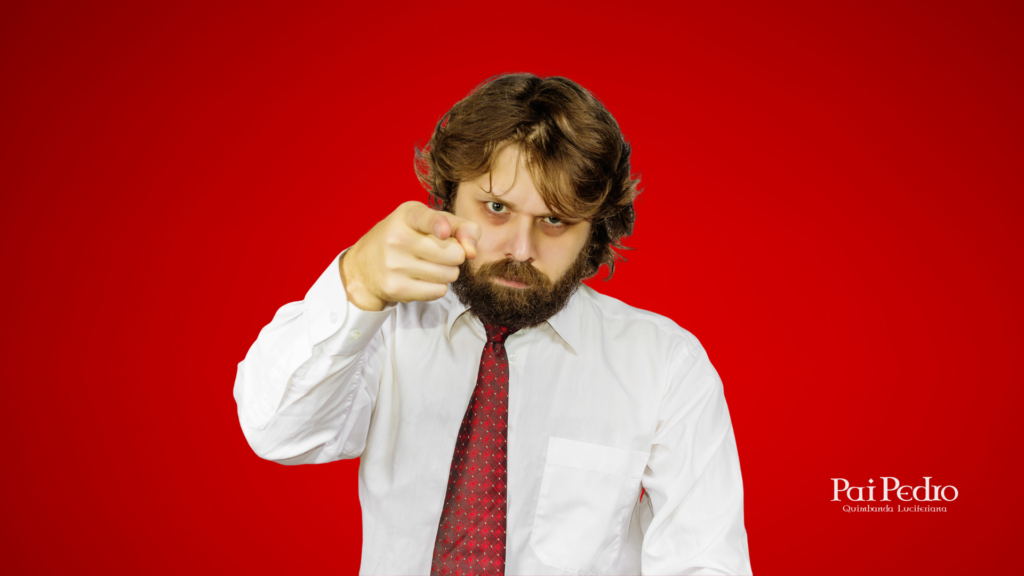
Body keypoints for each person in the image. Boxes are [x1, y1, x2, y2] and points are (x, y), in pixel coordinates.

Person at [234, 73, 752, 575]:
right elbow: (279, 432)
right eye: (497, 208)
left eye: (555, 220)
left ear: (595, 231)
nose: (521, 250)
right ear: (449, 197)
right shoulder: (385, 324)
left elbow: (705, 561)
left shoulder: (664, 367)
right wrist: (358, 285)